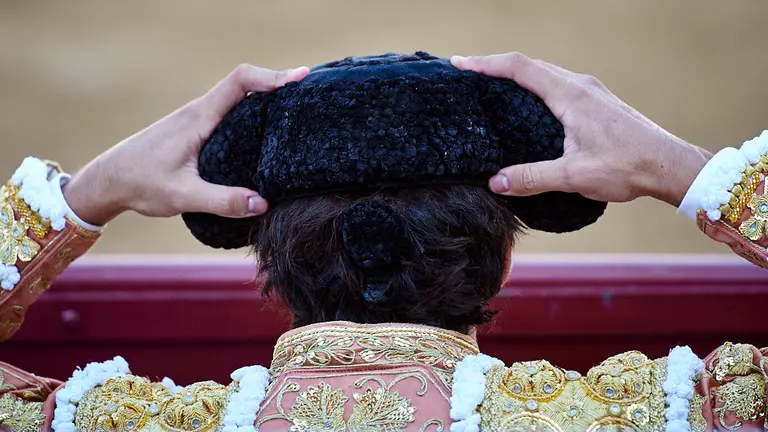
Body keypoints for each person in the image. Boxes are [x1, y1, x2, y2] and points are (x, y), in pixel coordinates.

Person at [0, 52, 765, 432]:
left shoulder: (123, 420)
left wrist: (86, 195)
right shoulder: (648, 415)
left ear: (268, 252)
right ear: (495, 254)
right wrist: (688, 173)